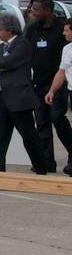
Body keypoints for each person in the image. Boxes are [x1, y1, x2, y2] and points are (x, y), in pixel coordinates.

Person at [0, 13, 47, 174]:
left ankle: (41, 167)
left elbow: (9, 62)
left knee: (29, 136)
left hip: (18, 99)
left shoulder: (23, 45)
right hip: (0, 98)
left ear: (10, 30)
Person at [24, 0, 71, 172]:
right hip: (38, 84)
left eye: (37, 10)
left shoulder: (61, 28)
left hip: (59, 84)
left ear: (48, 10)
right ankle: (46, 162)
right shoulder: (32, 29)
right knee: (42, 122)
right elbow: (26, 52)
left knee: (57, 118)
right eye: (32, 9)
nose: (33, 12)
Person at [44, 18, 72, 176]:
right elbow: (61, 72)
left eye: (67, 30)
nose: (63, 33)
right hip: (70, 90)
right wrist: (52, 91)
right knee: (57, 118)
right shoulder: (67, 49)